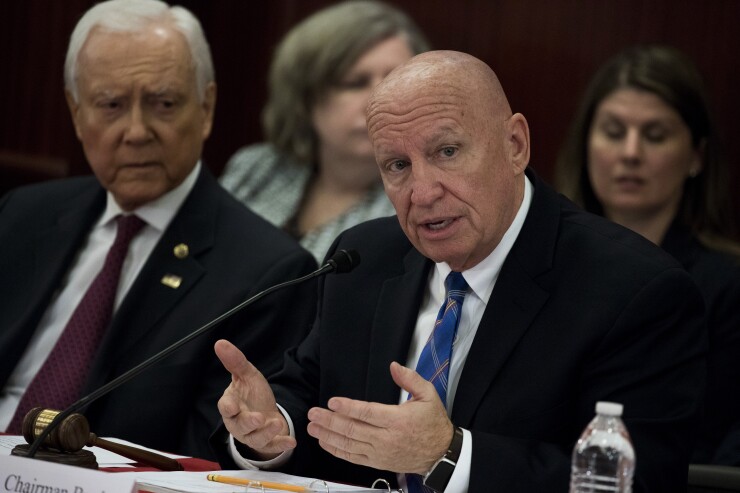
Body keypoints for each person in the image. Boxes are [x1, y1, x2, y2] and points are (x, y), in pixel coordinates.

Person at [210, 50, 707, 492]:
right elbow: (308, 393)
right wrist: (270, 428)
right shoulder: (362, 258)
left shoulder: (633, 291)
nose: (422, 193)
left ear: (515, 145)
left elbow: (636, 482)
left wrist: (448, 455)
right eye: (397, 165)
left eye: (447, 152)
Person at [0, 0, 317, 461]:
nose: (136, 131)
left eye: (163, 104)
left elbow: (207, 459)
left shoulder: (267, 274)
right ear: (75, 113)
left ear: (205, 108)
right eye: (110, 105)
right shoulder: (22, 215)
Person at [555, 45, 740, 465]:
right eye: (614, 132)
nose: (631, 153)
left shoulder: (726, 285)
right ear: (586, 144)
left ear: (696, 156)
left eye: (655, 135)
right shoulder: (540, 267)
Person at [219, 0, 430, 262]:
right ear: (305, 99)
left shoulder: (424, 198)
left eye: (397, 82)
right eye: (355, 83)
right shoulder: (256, 168)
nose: (379, 101)